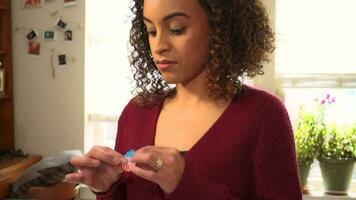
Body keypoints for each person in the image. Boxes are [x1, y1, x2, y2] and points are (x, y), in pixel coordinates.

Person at [64, 0, 303, 199]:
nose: (159, 46)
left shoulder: (262, 115)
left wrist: (185, 183)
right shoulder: (136, 114)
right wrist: (107, 188)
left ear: (221, 28)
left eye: (177, 29)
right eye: (151, 31)